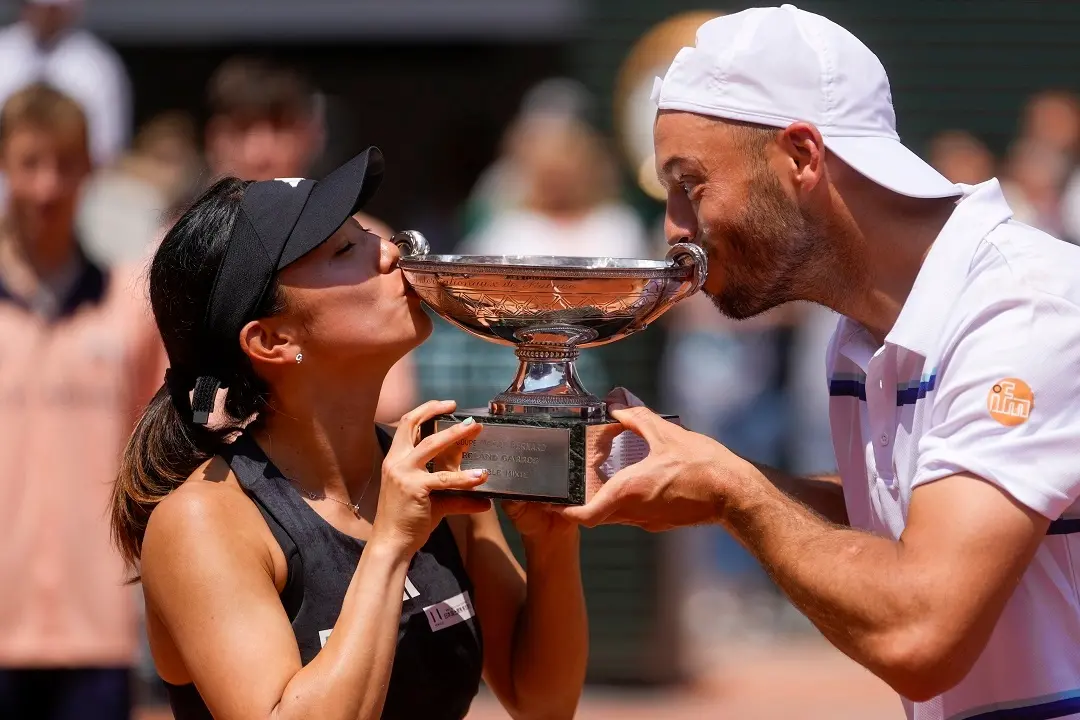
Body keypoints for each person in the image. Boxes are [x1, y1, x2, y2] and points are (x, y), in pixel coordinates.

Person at [561, 7, 1080, 720]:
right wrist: (717, 485)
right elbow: (913, 514)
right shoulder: (867, 325)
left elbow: (921, 634)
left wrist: (736, 491)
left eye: (691, 184)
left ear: (802, 157)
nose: (675, 227)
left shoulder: (1026, 308)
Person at [109, 147, 588, 720]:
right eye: (345, 249)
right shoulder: (202, 522)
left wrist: (552, 539)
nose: (393, 250)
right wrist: (389, 546)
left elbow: (543, 701)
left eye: (367, 234)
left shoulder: (432, 467)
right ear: (272, 342)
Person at [0, 83, 163, 720]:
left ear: (90, 168)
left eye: (65, 165)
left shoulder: (130, 305)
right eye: (30, 164)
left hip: (98, 623)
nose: (47, 187)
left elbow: (155, 459)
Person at [204, 55, 415, 422]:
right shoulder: (176, 251)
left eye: (280, 125)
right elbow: (178, 410)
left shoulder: (377, 238)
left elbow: (393, 401)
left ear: (314, 132)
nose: (261, 151)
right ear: (213, 138)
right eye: (242, 128)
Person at [0, 0, 131, 169]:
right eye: (40, 7)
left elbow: (107, 146)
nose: (47, 13)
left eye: (54, 8)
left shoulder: (99, 64)